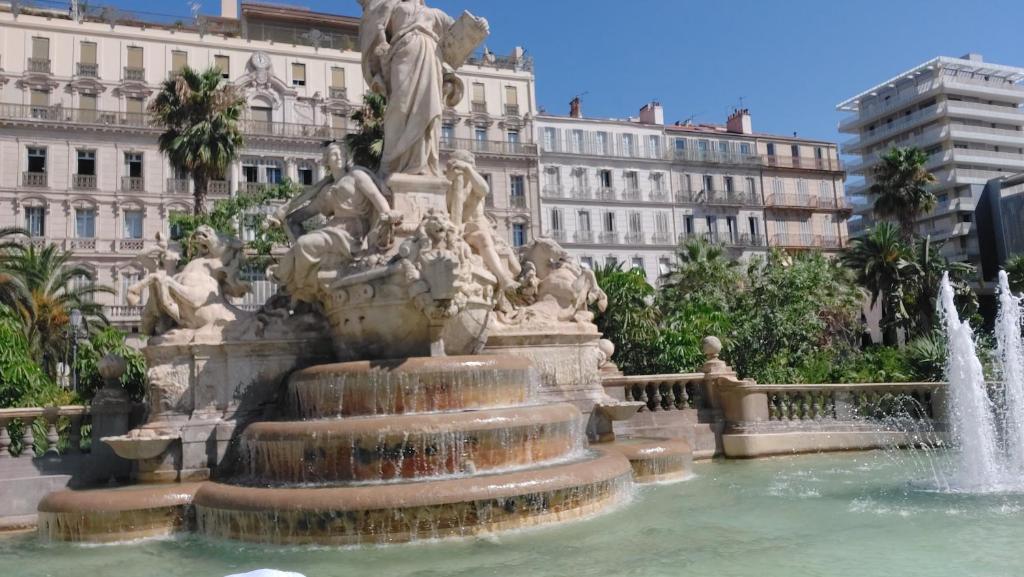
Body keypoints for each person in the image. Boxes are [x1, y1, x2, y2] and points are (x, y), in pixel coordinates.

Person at [269, 143, 399, 301]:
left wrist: (388, 213)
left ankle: (301, 287)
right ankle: (291, 284)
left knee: (304, 244)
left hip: (352, 231)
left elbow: (376, 196)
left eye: (342, 155)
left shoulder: (356, 176)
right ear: (326, 161)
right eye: (334, 155)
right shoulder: (327, 191)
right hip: (333, 230)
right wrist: (282, 217)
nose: (339, 158)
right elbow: (307, 212)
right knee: (297, 249)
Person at [445, 150, 520, 290]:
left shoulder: (475, 184)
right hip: (465, 230)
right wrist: (452, 182)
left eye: (472, 166)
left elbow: (484, 189)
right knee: (483, 238)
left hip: (484, 226)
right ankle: (503, 279)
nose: (473, 166)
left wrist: (467, 169)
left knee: (516, 269)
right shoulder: (448, 184)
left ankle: (506, 284)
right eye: (470, 164)